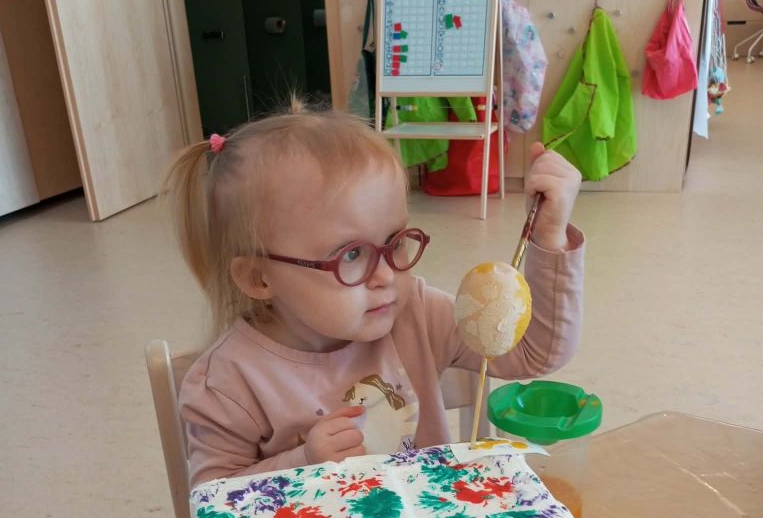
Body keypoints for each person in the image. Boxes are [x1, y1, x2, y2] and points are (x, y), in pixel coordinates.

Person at [163, 101, 584, 488]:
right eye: (351, 254)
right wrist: (303, 462)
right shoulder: (227, 382)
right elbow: (214, 503)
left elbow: (535, 352)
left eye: (395, 241)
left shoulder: (415, 313)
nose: (386, 275)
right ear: (259, 278)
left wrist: (549, 235)